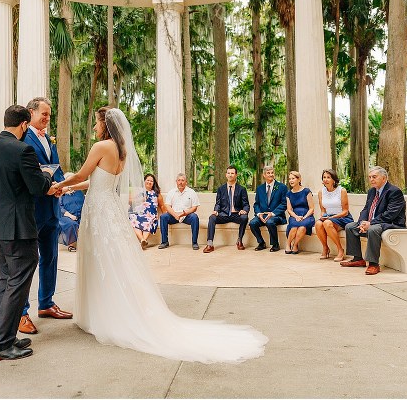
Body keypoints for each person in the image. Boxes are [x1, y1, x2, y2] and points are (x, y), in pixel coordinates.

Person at [54, 107, 267, 362]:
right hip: (107, 207)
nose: (94, 128)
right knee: (113, 260)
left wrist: (60, 185)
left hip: (99, 211)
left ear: (105, 125)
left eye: (97, 124)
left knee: (100, 259)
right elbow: (93, 181)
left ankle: (106, 314)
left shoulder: (101, 147)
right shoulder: (120, 151)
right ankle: (110, 309)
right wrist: (70, 189)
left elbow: (81, 174)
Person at [0, 104, 56, 361]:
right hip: (17, 229)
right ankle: (0, 344)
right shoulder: (23, 150)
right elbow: (36, 187)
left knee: (5, 278)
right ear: (24, 124)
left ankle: (7, 336)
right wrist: (46, 176)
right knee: (17, 281)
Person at [19, 96, 72, 335]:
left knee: (50, 258)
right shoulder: (23, 138)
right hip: (32, 209)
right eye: (44, 114)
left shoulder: (48, 139)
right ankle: (21, 313)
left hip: (52, 208)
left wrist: (61, 184)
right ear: (31, 113)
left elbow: (56, 167)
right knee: (27, 262)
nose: (47, 118)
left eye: (49, 114)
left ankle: (47, 303)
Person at [340, 166, 405, 275]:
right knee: (350, 226)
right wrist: (362, 222)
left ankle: (373, 264)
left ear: (384, 178)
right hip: (374, 222)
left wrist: (371, 223)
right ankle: (358, 259)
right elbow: (367, 209)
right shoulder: (372, 191)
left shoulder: (394, 191)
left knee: (373, 229)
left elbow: (391, 214)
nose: (371, 179)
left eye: (374, 177)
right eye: (370, 177)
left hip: (391, 224)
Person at [206, 166, 250, 252]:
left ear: (236, 175)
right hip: (224, 214)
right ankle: (210, 244)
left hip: (236, 214)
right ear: (226, 175)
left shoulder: (242, 189)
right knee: (212, 217)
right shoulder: (221, 189)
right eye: (229, 173)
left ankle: (239, 240)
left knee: (245, 217)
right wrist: (215, 211)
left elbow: (246, 204)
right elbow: (218, 203)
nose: (230, 175)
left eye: (232, 173)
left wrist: (244, 210)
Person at [314, 169, 352, 261]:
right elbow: (323, 210)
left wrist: (332, 217)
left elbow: (345, 211)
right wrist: (323, 215)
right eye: (324, 177)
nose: (325, 179)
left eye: (328, 177)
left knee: (327, 223)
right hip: (328, 217)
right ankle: (325, 248)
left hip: (343, 217)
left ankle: (340, 249)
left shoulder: (341, 190)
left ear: (334, 180)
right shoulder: (321, 192)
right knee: (318, 224)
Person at [248, 165, 287, 252]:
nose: (271, 175)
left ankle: (275, 244)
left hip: (277, 216)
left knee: (270, 221)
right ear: (264, 175)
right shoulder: (259, 189)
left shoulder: (282, 187)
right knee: (252, 223)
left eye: (272, 173)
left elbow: (284, 204)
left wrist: (272, 213)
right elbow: (256, 204)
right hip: (263, 215)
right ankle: (261, 243)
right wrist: (259, 214)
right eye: (268, 173)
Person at [157, 173, 200, 250]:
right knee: (163, 217)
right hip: (173, 216)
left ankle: (194, 242)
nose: (180, 182)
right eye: (179, 180)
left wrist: (185, 213)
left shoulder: (191, 192)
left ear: (186, 182)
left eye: (183, 180)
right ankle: (164, 242)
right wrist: (175, 214)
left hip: (186, 215)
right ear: (176, 181)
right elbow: (167, 206)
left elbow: (194, 208)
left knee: (195, 217)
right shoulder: (171, 192)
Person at [129, 173, 165, 249]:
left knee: (148, 221)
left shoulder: (156, 193)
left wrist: (165, 215)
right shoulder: (139, 191)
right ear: (144, 181)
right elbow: (130, 201)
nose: (149, 182)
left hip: (150, 215)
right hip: (139, 213)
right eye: (148, 180)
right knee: (133, 219)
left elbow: (162, 205)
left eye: (151, 181)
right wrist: (139, 199)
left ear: (153, 183)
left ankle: (143, 240)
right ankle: (143, 240)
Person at [283, 171, 315, 254]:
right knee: (293, 227)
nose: (291, 181)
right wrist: (296, 217)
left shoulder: (306, 191)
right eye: (289, 179)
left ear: (299, 179)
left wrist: (304, 217)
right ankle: (288, 244)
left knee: (302, 227)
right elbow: (289, 210)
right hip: (294, 215)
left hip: (307, 215)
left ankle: (295, 245)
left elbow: (311, 208)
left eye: (293, 178)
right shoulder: (289, 194)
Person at [58, 172, 85, 252]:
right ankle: (72, 244)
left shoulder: (79, 192)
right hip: (65, 216)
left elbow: (84, 203)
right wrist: (70, 215)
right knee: (72, 224)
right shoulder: (62, 194)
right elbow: (60, 207)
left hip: (80, 215)